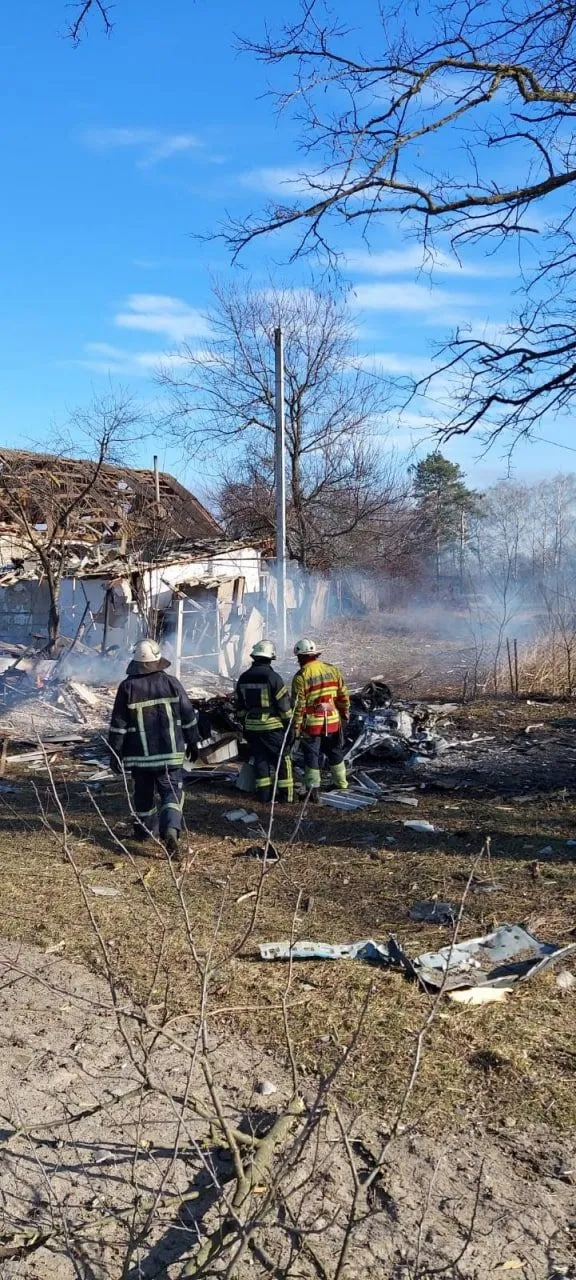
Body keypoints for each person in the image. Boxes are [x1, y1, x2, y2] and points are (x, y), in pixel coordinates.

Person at [108, 638, 200, 855]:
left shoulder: (127, 687)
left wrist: (115, 752)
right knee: (171, 793)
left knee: (143, 794)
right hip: (170, 754)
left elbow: (118, 724)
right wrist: (193, 741)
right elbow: (188, 714)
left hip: (139, 757)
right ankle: (171, 829)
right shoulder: (171, 683)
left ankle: (144, 831)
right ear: (157, 660)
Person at [235, 640, 294, 803]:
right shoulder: (273, 677)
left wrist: (245, 724)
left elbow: (239, 707)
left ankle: (264, 795)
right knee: (283, 758)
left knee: (260, 759)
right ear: (270, 658)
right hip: (272, 727)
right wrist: (290, 726)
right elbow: (284, 707)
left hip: (252, 727)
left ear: (254, 657)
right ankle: (287, 796)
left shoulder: (243, 678)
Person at [291, 638, 350, 801]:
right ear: (315, 655)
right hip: (333, 721)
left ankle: (313, 790)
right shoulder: (333, 670)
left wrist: (296, 726)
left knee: (311, 756)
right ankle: (341, 784)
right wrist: (344, 713)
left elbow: (298, 706)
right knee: (335, 752)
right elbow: (343, 695)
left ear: (301, 657)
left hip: (313, 724)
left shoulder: (300, 677)